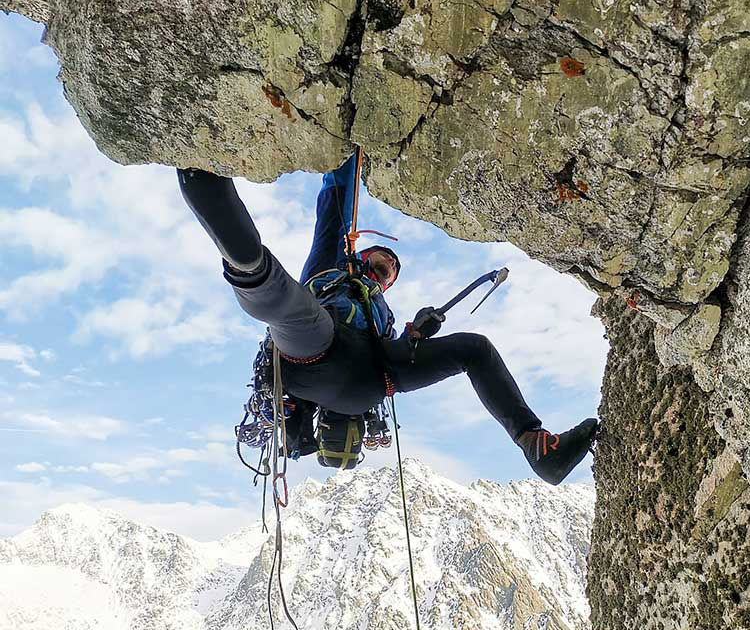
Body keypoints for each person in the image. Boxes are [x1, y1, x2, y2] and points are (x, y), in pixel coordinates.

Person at [177, 153, 597, 485]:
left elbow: (389, 353)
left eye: (392, 271)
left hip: (364, 373)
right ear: (358, 256)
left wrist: (415, 334)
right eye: (382, 260)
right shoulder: (330, 266)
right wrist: (347, 154)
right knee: (285, 303)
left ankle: (535, 444)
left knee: (474, 349)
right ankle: (242, 253)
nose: (388, 267)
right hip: (319, 348)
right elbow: (336, 205)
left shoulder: (384, 314)